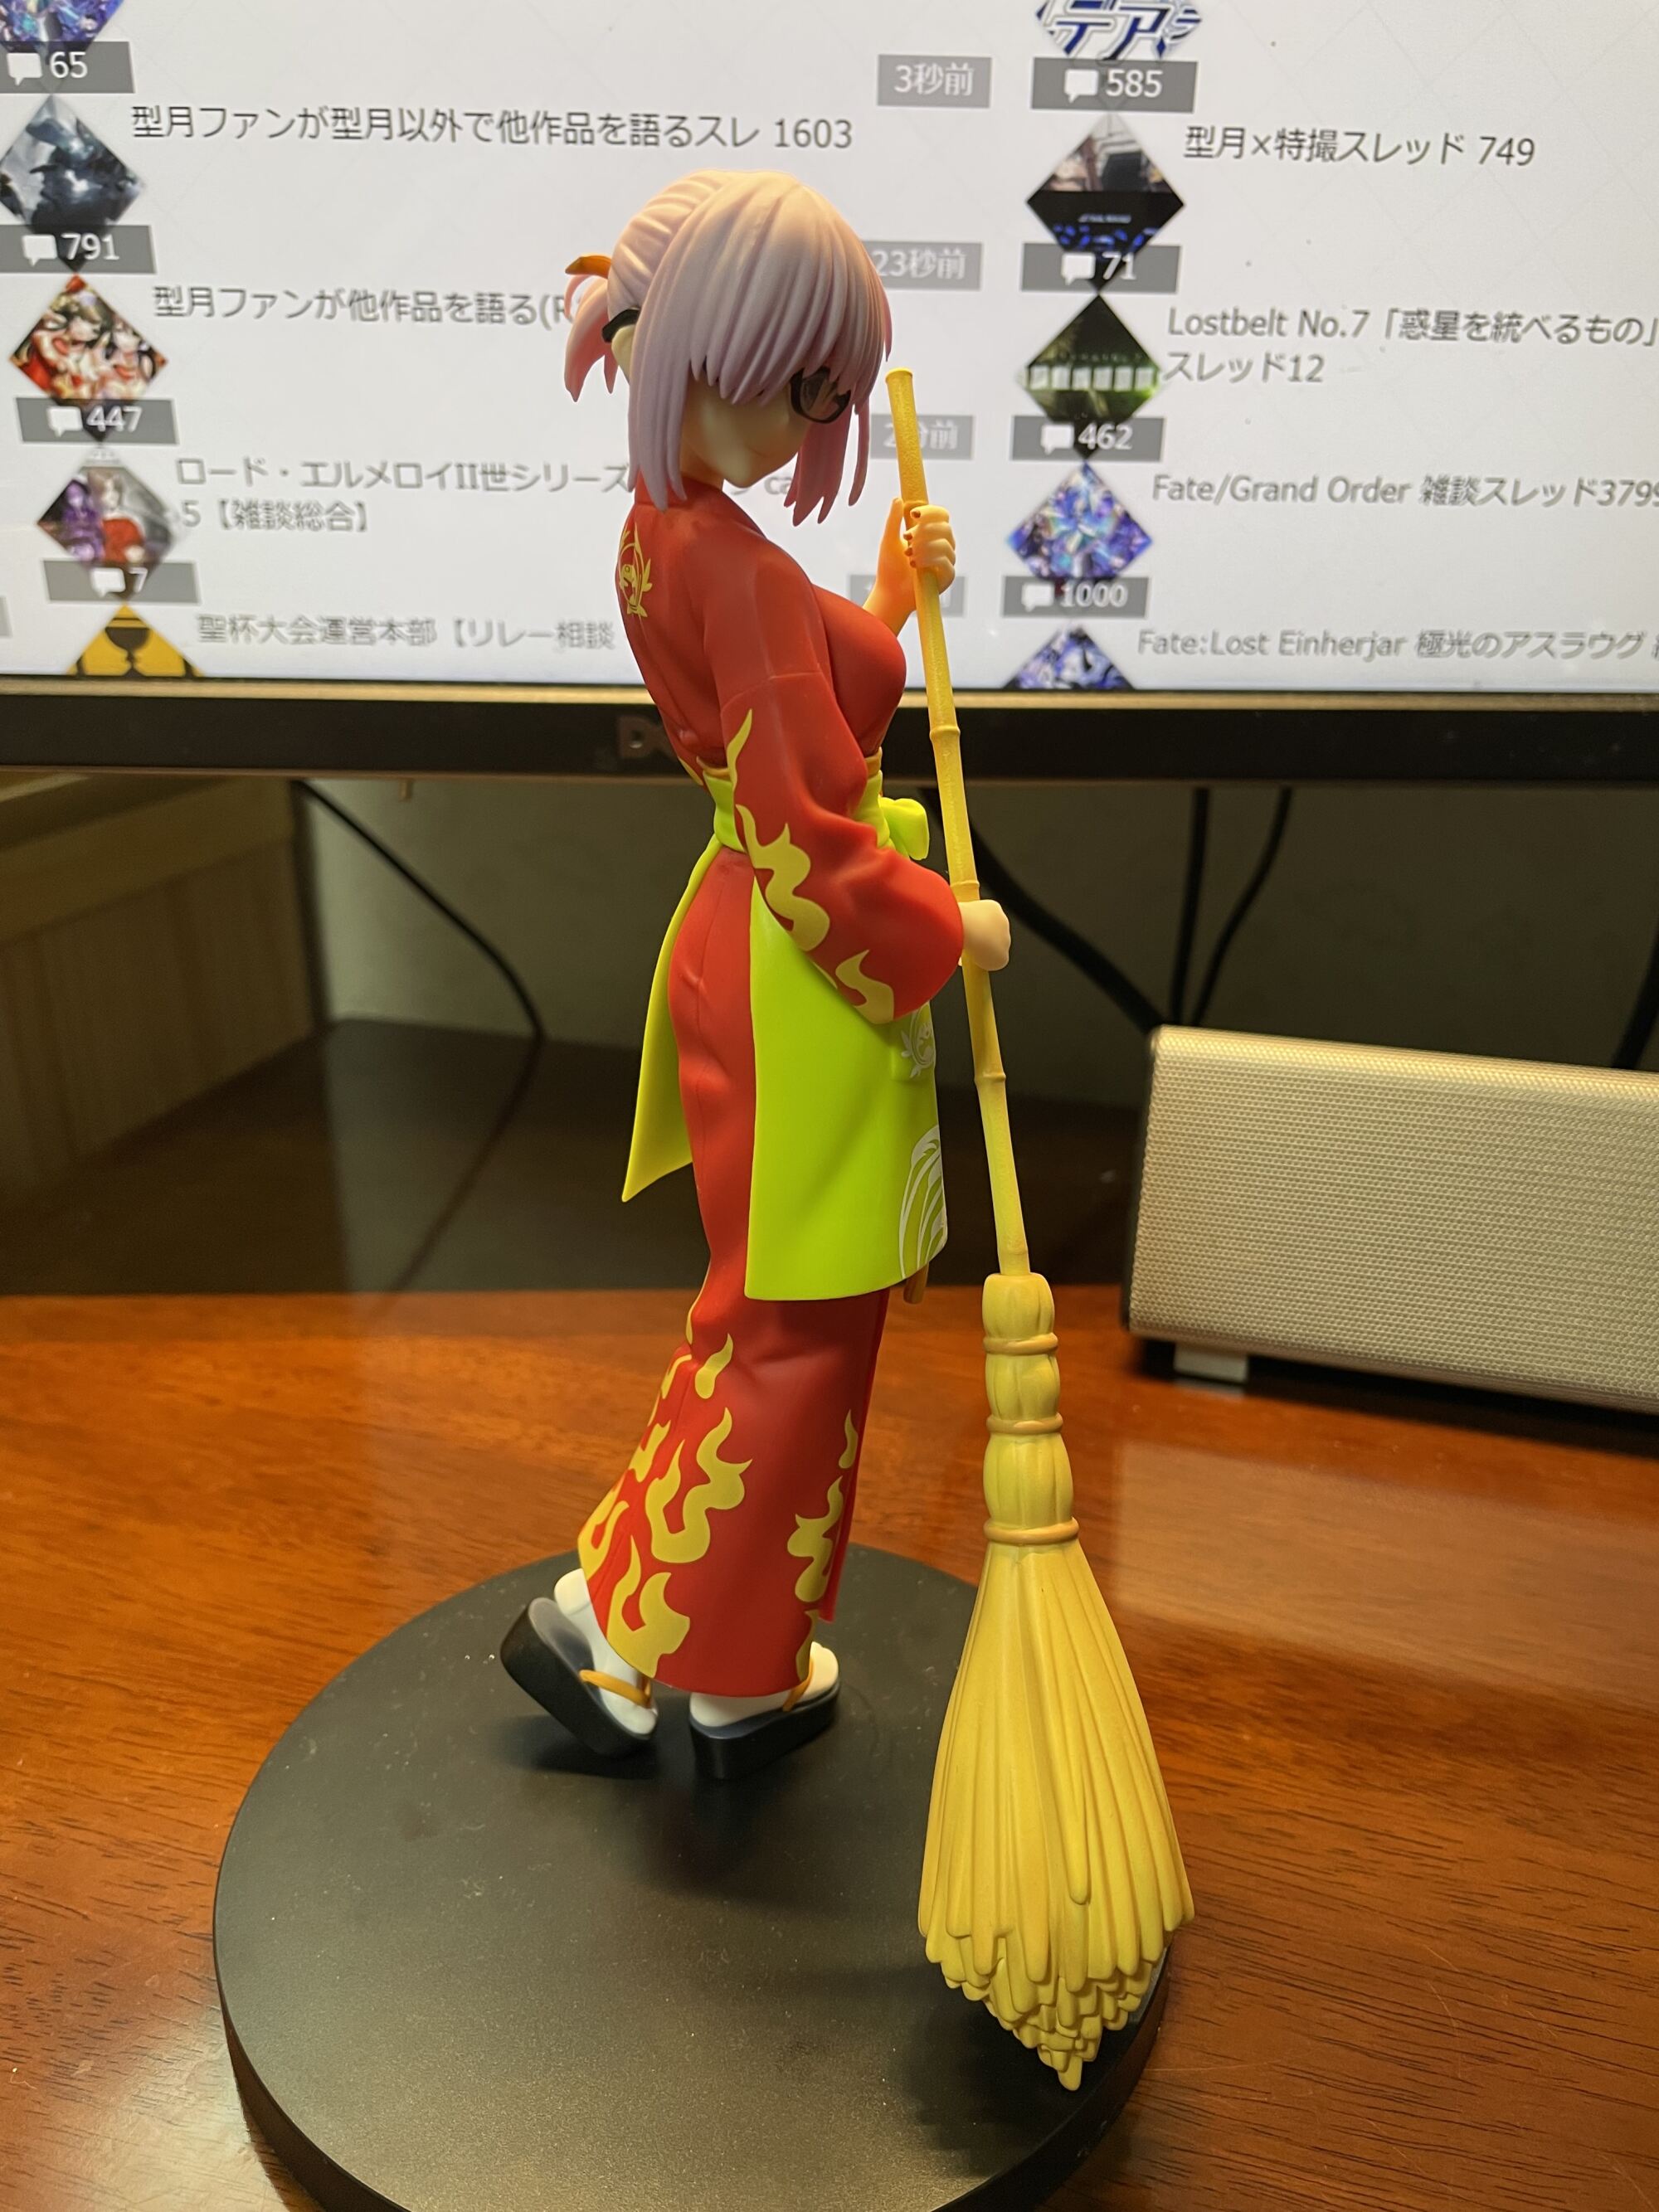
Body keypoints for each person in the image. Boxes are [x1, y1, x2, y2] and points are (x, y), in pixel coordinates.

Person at [501, 170, 1010, 1780]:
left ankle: (731, 1663)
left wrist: (890, 599)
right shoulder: (721, 559)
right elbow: (805, 819)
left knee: (785, 1319)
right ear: (686, 352)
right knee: (796, 1327)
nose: (809, 425)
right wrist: (942, 925)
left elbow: (796, 701)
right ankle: (619, 1624)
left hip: (758, 940)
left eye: (825, 393)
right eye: (799, 386)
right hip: (803, 961)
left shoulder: (671, 536)